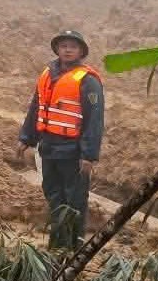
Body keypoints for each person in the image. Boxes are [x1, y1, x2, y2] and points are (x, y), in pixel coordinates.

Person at [17, 30, 105, 249]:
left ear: (81, 52)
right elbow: (36, 108)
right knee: (54, 196)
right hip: (48, 148)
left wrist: (88, 155)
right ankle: (57, 247)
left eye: (72, 46)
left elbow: (95, 120)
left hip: (73, 152)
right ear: (57, 49)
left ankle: (73, 248)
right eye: (63, 45)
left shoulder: (88, 81)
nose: (67, 49)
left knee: (74, 202)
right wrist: (27, 138)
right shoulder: (47, 75)